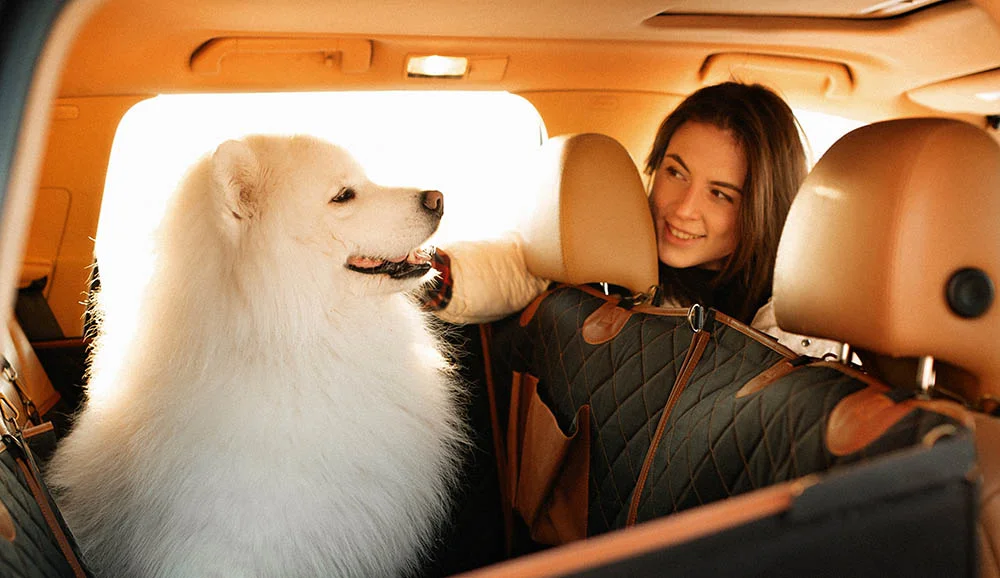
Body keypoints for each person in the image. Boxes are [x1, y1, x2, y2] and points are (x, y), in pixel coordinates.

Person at [423, 81, 838, 358]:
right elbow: (514, 267)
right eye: (676, 172)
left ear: (764, 208)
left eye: (720, 194)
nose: (682, 208)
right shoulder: (611, 256)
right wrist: (415, 270)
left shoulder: (801, 319)